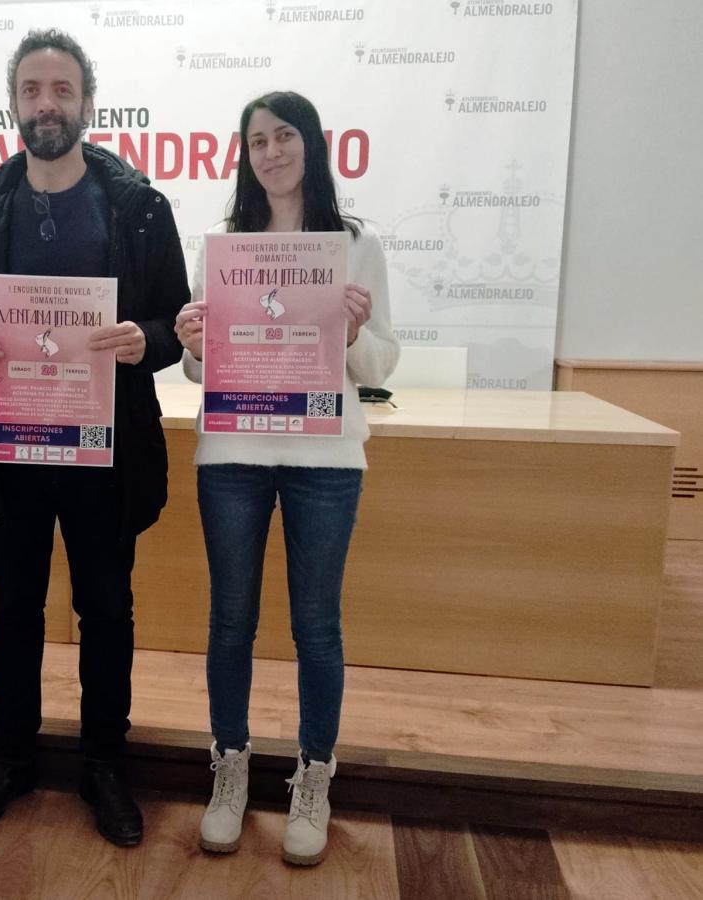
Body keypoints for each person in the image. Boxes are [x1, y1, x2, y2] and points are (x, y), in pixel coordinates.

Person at [0, 29, 189, 846]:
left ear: (87, 101)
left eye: (62, 90)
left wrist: (144, 339)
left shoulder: (139, 206)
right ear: (14, 103)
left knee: (106, 610)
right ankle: (9, 759)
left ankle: (104, 766)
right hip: (8, 450)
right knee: (11, 607)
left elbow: (174, 325)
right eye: (32, 90)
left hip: (105, 453)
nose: (47, 105)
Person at [174, 91, 399, 865]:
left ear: (310, 144)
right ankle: (229, 768)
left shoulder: (355, 243)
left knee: (316, 627)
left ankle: (313, 778)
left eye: (283, 136)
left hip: (324, 459)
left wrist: (355, 330)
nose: (270, 152)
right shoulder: (225, 246)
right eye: (256, 141)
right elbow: (203, 371)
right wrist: (193, 343)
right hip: (232, 455)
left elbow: (378, 366)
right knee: (230, 621)